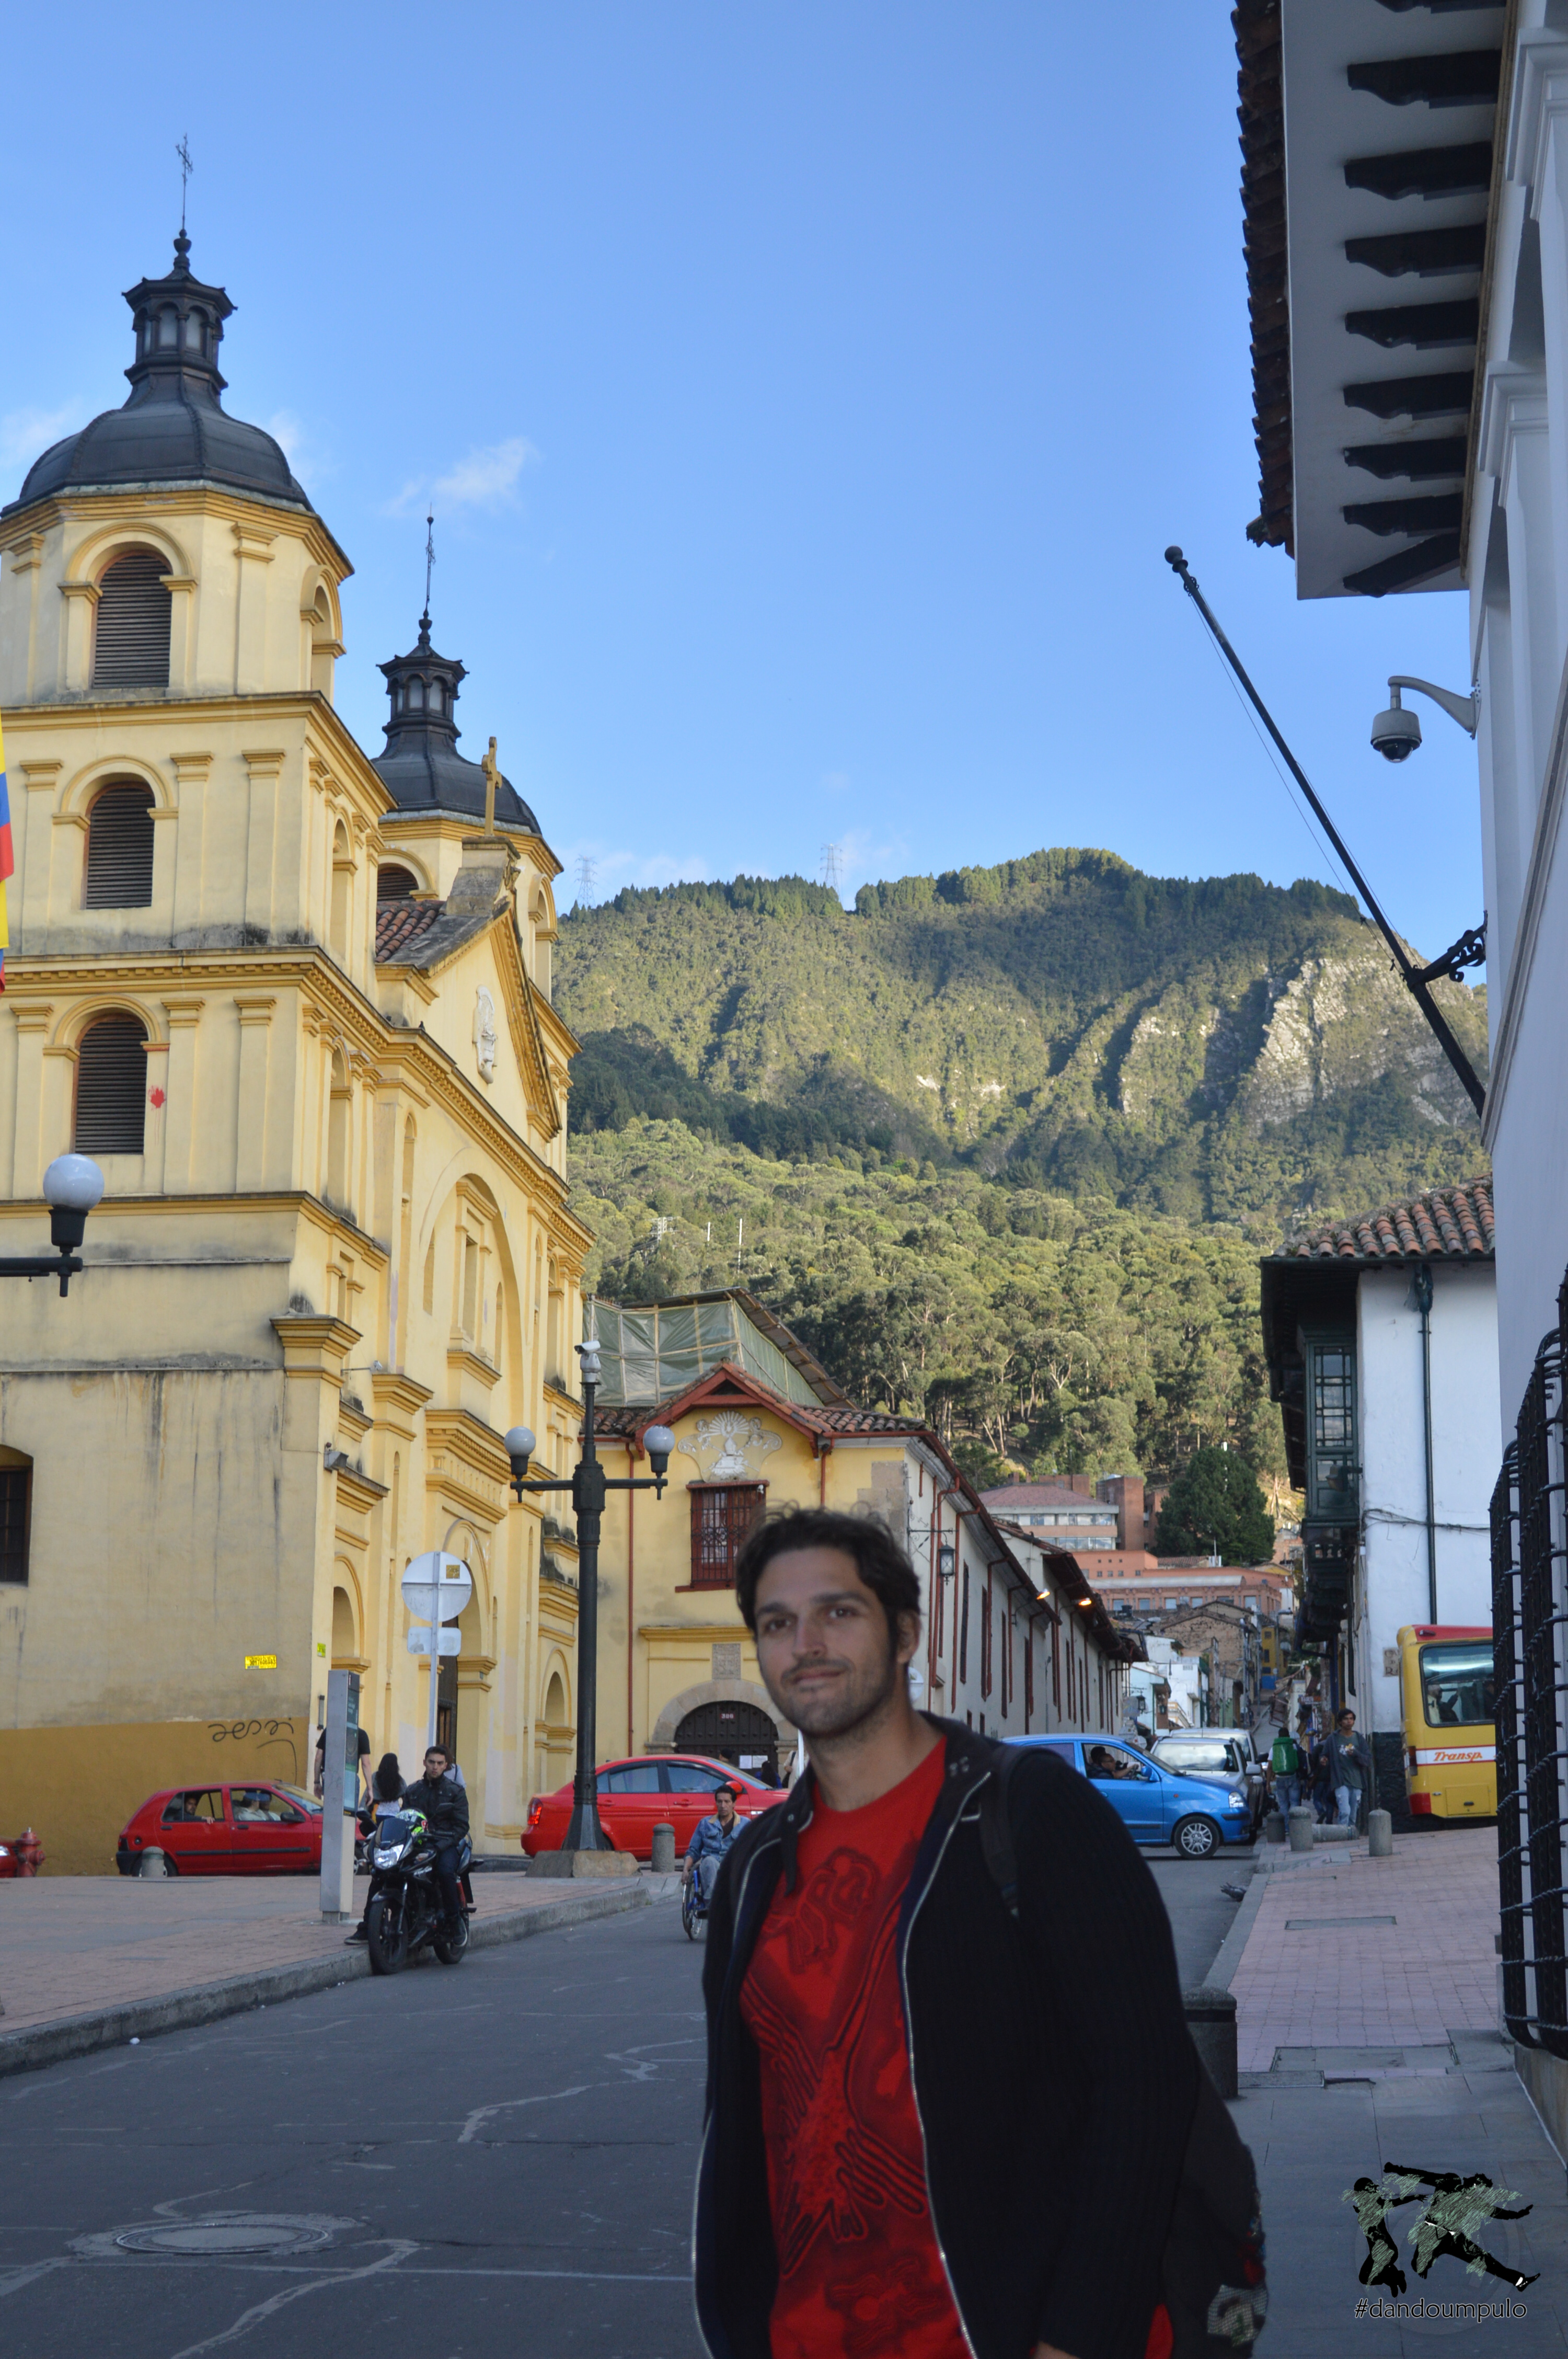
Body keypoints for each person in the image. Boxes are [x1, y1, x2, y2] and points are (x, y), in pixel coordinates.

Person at [695, 1506, 1263, 2359]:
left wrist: (1078, 2337)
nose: (806, 1643)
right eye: (778, 1623)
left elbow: (1144, 2086)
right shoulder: (753, 1869)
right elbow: (746, 2124)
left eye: (838, 1612)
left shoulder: (1031, 1814)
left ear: (906, 1633)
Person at [398, 1743, 469, 1933]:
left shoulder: (455, 1792)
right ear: (425, 1763)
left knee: (445, 1871)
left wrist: (442, 1845)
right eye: (431, 1762)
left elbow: (462, 1826)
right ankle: (368, 1924)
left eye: (439, 1763)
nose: (435, 1767)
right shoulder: (413, 1791)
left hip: (445, 1844)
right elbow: (403, 1818)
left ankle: (454, 1921)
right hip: (417, 1844)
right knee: (387, 1871)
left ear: (446, 1765)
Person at [345, 1754, 407, 1947]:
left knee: (377, 1876)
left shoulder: (375, 1779)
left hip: (378, 1821)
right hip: (396, 1821)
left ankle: (369, 1926)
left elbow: (366, 1801)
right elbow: (407, 1800)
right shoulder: (399, 1781)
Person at [684, 1781, 742, 1907]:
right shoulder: (705, 1824)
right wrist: (686, 1869)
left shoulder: (744, 1824)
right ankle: (713, 1904)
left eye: (727, 1802)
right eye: (720, 1802)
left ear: (734, 1804)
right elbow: (693, 1851)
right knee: (709, 1862)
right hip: (711, 1864)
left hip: (733, 1865)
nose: (723, 1805)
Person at [1329, 1708, 1371, 1831]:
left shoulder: (1359, 1738)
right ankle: (1343, 1834)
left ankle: (1351, 1834)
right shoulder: (1333, 1739)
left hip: (1357, 1782)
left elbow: (1368, 1759)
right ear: (1340, 1722)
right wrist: (1323, 1760)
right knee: (1345, 1811)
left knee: (1353, 1814)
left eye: (1351, 1719)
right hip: (1341, 1781)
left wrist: (1356, 1754)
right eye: (1346, 1719)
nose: (1349, 1721)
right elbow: (1324, 1754)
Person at [315, 1719, 371, 1804]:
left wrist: (317, 1782)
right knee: (349, 1810)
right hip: (350, 1779)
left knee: (332, 1808)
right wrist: (370, 1789)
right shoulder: (361, 1734)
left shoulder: (329, 1731)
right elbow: (366, 1763)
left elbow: (318, 1757)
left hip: (331, 1777)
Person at [1269, 1726, 1304, 1818]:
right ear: (1289, 1736)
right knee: (1294, 1802)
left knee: (1283, 1804)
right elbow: (1299, 1761)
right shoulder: (1294, 1746)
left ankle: (1286, 1826)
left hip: (1280, 1778)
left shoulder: (1274, 1748)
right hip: (1293, 1776)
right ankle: (1294, 1824)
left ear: (1279, 1736)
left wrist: (1268, 1783)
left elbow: (1269, 1767)